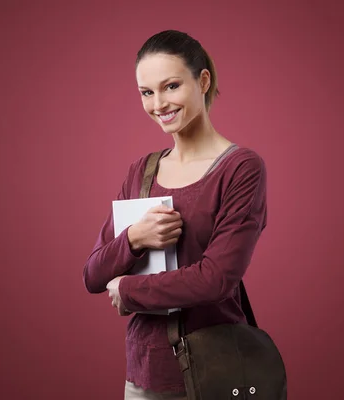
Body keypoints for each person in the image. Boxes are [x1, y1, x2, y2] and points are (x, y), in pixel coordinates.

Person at [82, 29, 268, 400]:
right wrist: (135, 238)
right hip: (145, 375)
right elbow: (93, 274)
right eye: (146, 93)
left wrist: (128, 289)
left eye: (170, 86)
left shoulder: (240, 168)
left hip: (216, 372)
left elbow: (215, 279)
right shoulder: (142, 171)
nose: (158, 104)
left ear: (202, 80)